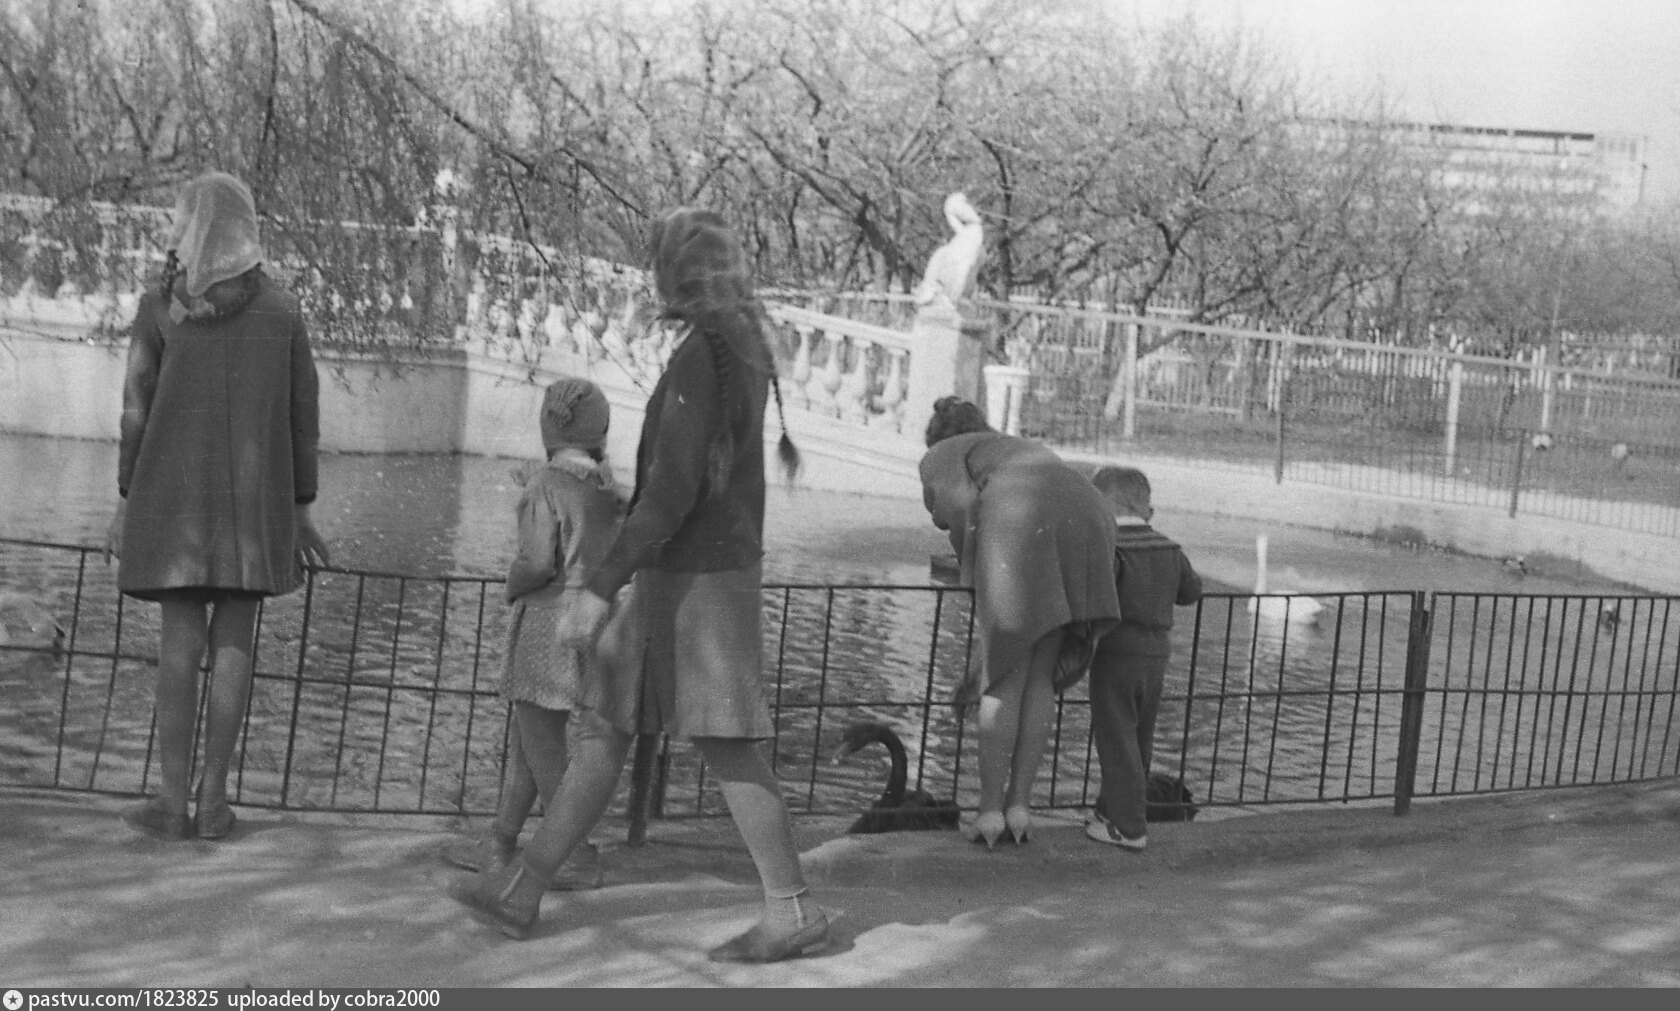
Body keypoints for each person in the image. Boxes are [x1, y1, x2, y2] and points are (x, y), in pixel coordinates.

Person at [451, 207, 830, 964]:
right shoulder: (738, 345)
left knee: (724, 743)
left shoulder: (701, 357)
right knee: (606, 728)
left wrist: (598, 587)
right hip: (697, 572)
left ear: (675, 276)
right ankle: (523, 888)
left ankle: (791, 911)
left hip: (696, 582)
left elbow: (670, 492)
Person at [104, 171, 328, 841]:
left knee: (179, 648)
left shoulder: (158, 306)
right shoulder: (283, 311)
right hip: (253, 512)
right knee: (235, 645)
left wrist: (125, 500)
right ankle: (214, 801)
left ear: (186, 225)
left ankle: (171, 802)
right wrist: (302, 509)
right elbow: (304, 416)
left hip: (172, 509)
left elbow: (135, 413)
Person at [438, 379, 621, 887]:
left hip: (547, 623)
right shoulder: (604, 486)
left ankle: (576, 854)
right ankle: (500, 842)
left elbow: (538, 562)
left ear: (546, 428)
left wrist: (511, 584)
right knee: (529, 740)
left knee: (544, 752)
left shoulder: (545, 486)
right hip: (593, 619)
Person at [919, 397, 1121, 849]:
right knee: (1039, 678)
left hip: (1021, 523)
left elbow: (956, 517)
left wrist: (978, 586)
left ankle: (989, 811)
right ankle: (1019, 809)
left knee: (1003, 679)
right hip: (1089, 518)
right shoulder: (1012, 446)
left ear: (936, 436)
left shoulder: (940, 455)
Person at [1084, 466, 1203, 851]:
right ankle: (1110, 812)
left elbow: (1094, 596)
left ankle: (1128, 827)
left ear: (1104, 504)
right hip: (1156, 657)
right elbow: (1191, 592)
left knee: (1115, 739)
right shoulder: (1169, 548)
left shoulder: (1110, 546)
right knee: (1139, 739)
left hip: (1115, 654)